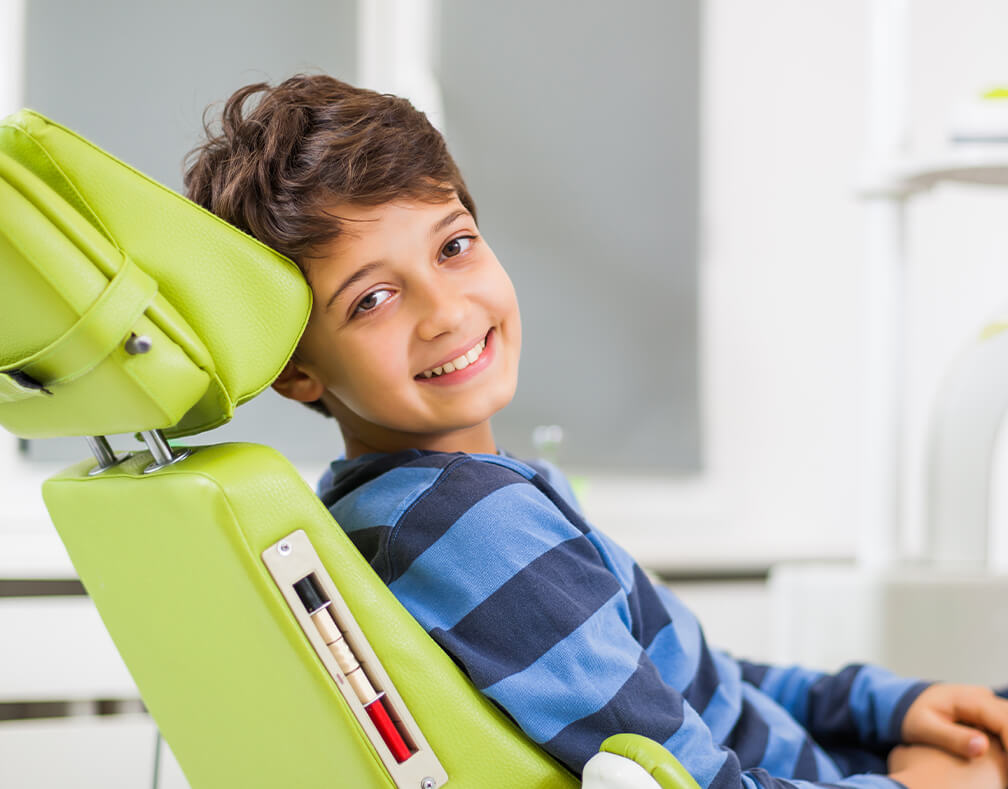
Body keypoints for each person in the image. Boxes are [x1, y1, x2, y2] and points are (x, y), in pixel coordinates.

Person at [184, 74, 1008, 789]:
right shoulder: (475, 531)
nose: (446, 311)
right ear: (297, 370)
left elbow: (686, 676)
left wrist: (879, 703)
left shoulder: (404, 507)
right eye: (372, 299)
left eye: (455, 246)